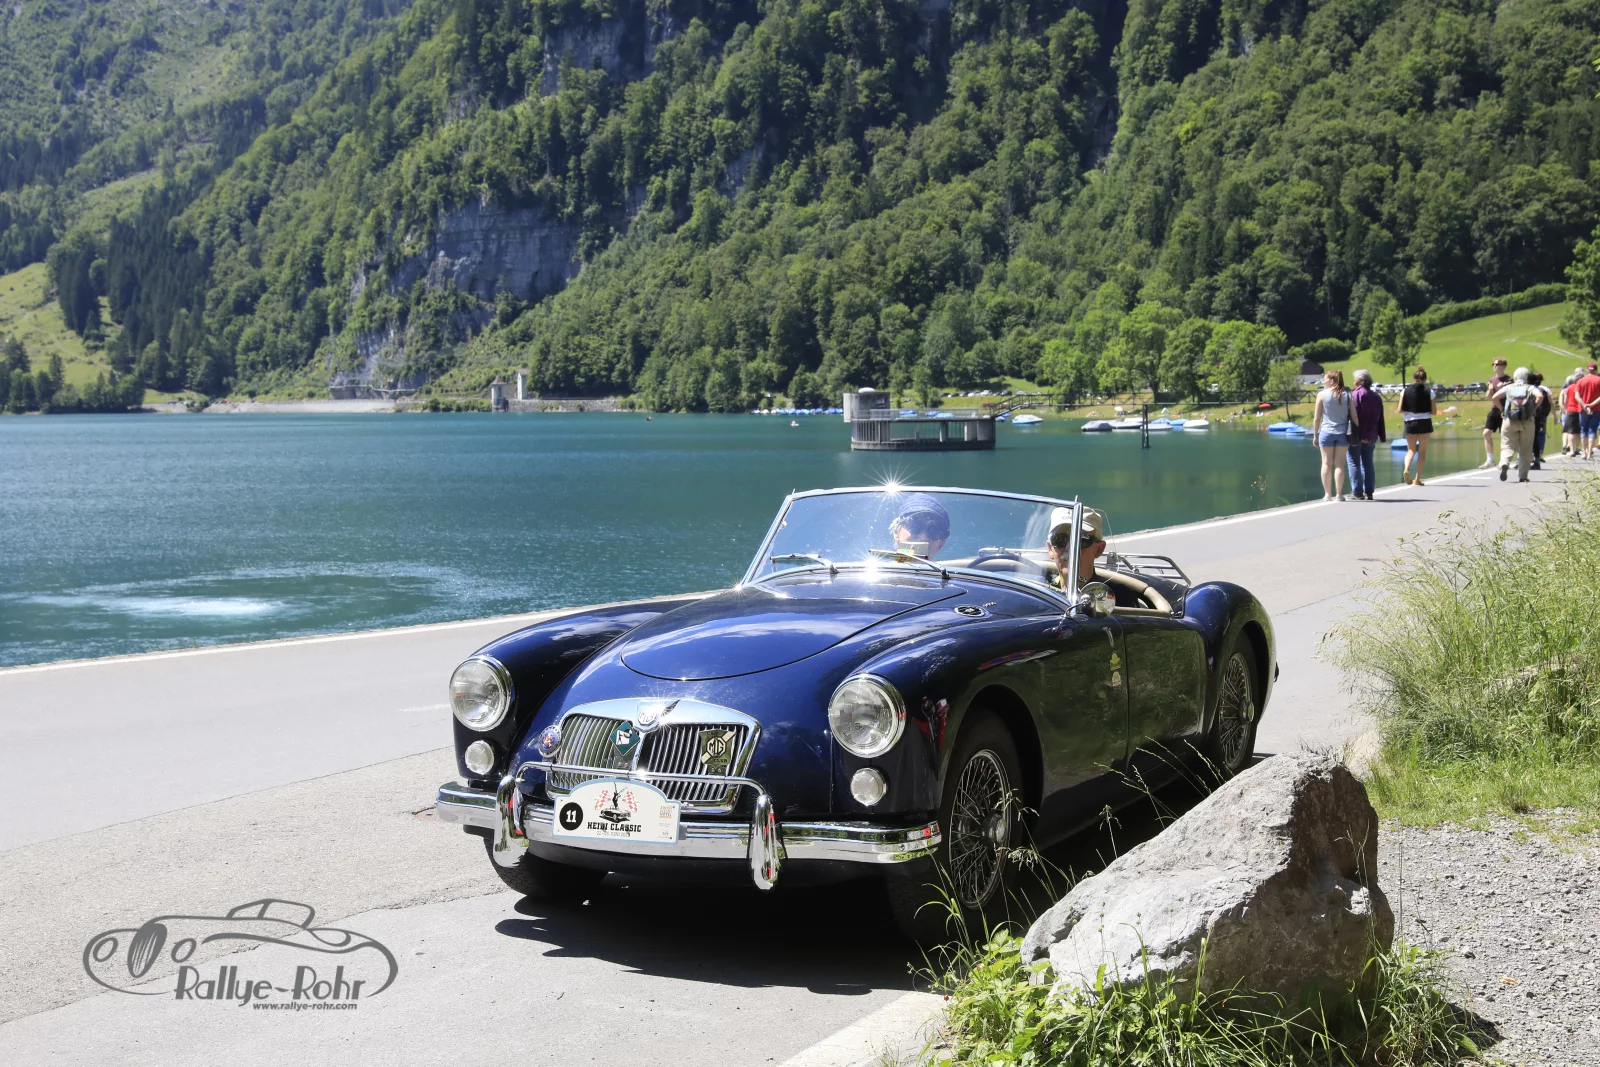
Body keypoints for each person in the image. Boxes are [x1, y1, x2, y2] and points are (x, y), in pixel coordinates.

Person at [1311, 370, 1359, 501]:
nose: (1323, 381)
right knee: (1340, 464)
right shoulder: (1347, 394)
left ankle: (1327, 494)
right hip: (1343, 433)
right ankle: (1339, 494)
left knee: (1326, 463)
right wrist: (1357, 430)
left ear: (1332, 381)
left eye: (1325, 379)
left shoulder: (1321, 394)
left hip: (1326, 432)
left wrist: (1315, 435)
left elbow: (1317, 418)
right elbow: (1354, 415)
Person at [1490, 367, 1538, 481]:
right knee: (1525, 449)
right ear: (1526, 377)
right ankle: (1523, 476)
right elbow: (1540, 396)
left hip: (1509, 419)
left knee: (1507, 445)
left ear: (1515, 377)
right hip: (1527, 420)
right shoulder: (1529, 387)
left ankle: (1504, 463)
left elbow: (1494, 397)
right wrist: (1534, 408)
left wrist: (1502, 409)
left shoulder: (1509, 387)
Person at [1346, 369, 1386, 500]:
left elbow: (1354, 416)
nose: (1353, 381)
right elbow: (1380, 417)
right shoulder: (1376, 396)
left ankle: (1357, 492)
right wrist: (1381, 435)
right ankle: (1369, 491)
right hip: (1372, 435)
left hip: (1357, 435)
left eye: (1355, 379)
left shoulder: (1355, 395)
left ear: (1360, 381)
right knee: (1368, 463)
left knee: (1354, 462)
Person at [1396, 365, 1436, 485]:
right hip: (1425, 422)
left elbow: (1399, 409)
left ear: (1414, 378)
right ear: (1425, 379)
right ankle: (1417, 478)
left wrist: (1410, 410)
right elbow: (1434, 411)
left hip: (1410, 422)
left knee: (1411, 450)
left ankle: (1406, 468)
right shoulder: (1430, 391)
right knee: (1422, 451)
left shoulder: (1405, 390)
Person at [1480, 358, 1512, 469]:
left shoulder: (1509, 380)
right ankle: (1490, 460)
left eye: (1497, 364)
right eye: (1493, 364)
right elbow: (1488, 396)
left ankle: (1505, 460)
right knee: (1486, 433)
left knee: (1505, 436)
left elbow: (1506, 394)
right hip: (1495, 409)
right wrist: (1490, 389)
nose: (1494, 366)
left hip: (1506, 409)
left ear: (1503, 366)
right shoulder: (1492, 380)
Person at [1576, 362, 1600, 461]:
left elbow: (1577, 396)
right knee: (1592, 430)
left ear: (1587, 370)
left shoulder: (1580, 381)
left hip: (1583, 409)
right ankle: (1590, 453)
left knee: (1583, 429)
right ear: (1596, 370)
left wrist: (1584, 405)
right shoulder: (1599, 380)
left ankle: (1584, 451)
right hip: (1596, 408)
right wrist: (1592, 405)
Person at [1529, 371, 1551, 470]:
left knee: (1526, 438)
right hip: (1540, 417)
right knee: (1537, 437)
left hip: (1530, 416)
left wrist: (1533, 409)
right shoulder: (1544, 389)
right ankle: (1538, 457)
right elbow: (1549, 404)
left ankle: (1525, 458)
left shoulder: (1529, 389)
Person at [1561, 368, 1583, 456]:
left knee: (1571, 431)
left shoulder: (1569, 387)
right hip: (1580, 410)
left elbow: (1565, 401)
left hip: (1571, 410)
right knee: (1578, 431)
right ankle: (1576, 448)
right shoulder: (1581, 387)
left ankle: (1572, 450)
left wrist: (1566, 410)